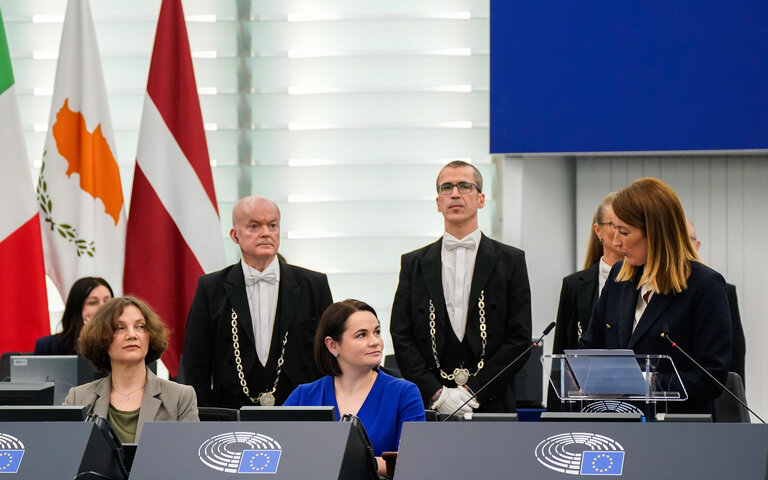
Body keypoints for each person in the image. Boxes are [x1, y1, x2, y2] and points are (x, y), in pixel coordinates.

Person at [390, 160, 532, 415]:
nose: (455, 193)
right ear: (438, 202)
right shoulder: (414, 263)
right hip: (430, 406)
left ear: (481, 199)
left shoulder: (511, 261)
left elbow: (519, 339)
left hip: (493, 402)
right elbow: (401, 335)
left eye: (465, 186)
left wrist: (475, 391)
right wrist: (436, 393)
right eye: (446, 188)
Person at [580, 177, 732, 416]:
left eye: (624, 232)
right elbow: (589, 348)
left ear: (655, 232)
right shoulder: (619, 277)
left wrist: (647, 382)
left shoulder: (705, 285)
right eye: (614, 231)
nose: (617, 242)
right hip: (616, 424)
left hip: (678, 432)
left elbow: (711, 377)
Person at [183, 195, 333, 408]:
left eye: (272, 225)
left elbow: (330, 355)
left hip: (302, 412)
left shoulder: (314, 285)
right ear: (235, 235)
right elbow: (196, 363)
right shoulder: (211, 288)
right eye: (254, 226)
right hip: (230, 415)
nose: (266, 233)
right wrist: (204, 419)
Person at [284, 299, 425, 476]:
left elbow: (412, 462)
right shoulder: (303, 396)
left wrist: (351, 462)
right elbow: (278, 452)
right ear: (332, 345)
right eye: (361, 335)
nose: (375, 342)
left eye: (377, 332)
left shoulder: (404, 393)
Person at [64, 296, 198, 443]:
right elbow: (66, 456)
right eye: (120, 328)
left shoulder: (180, 397)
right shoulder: (78, 398)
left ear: (150, 335)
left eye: (140, 326)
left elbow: (188, 459)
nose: (132, 335)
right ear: (101, 338)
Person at [548, 193, 622, 410]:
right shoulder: (575, 284)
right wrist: (554, 412)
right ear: (598, 230)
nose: (620, 233)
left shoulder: (644, 281)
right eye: (613, 225)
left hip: (628, 398)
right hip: (582, 399)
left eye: (627, 226)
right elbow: (561, 350)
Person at [686, 218, 746, 384]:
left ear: (697, 245)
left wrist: (735, 407)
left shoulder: (720, 289)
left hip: (710, 397)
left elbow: (735, 362)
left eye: (686, 239)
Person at [35, 277, 113, 355]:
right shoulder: (47, 346)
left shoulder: (120, 344)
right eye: (92, 302)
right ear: (76, 309)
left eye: (108, 301)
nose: (103, 307)